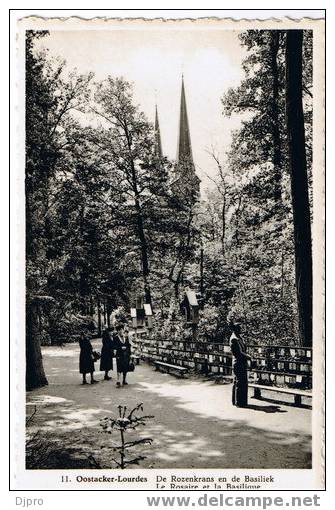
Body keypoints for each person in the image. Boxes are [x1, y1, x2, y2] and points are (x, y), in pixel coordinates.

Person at [230, 324, 251, 407]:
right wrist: (248, 357)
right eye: (239, 328)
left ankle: (238, 401)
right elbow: (238, 353)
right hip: (238, 362)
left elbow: (243, 349)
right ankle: (239, 402)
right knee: (240, 382)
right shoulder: (234, 339)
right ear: (235, 329)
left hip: (241, 362)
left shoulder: (238, 337)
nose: (241, 329)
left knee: (240, 382)